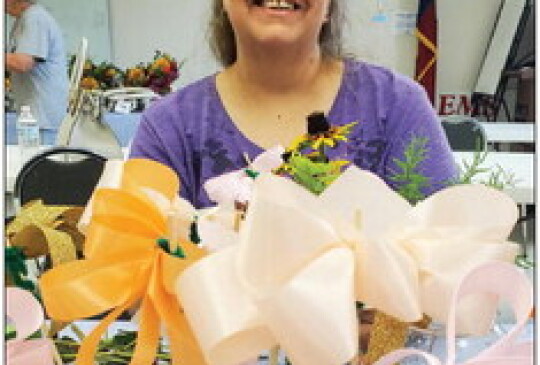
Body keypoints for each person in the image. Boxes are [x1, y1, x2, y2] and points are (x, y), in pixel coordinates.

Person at [130, 0, 457, 208]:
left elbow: (443, 253)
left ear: (329, 6)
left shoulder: (397, 107)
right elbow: (137, 273)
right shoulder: (167, 127)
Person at [6, 0, 69, 133]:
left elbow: (23, 63)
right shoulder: (23, 19)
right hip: (34, 117)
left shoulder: (35, 18)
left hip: (42, 119)